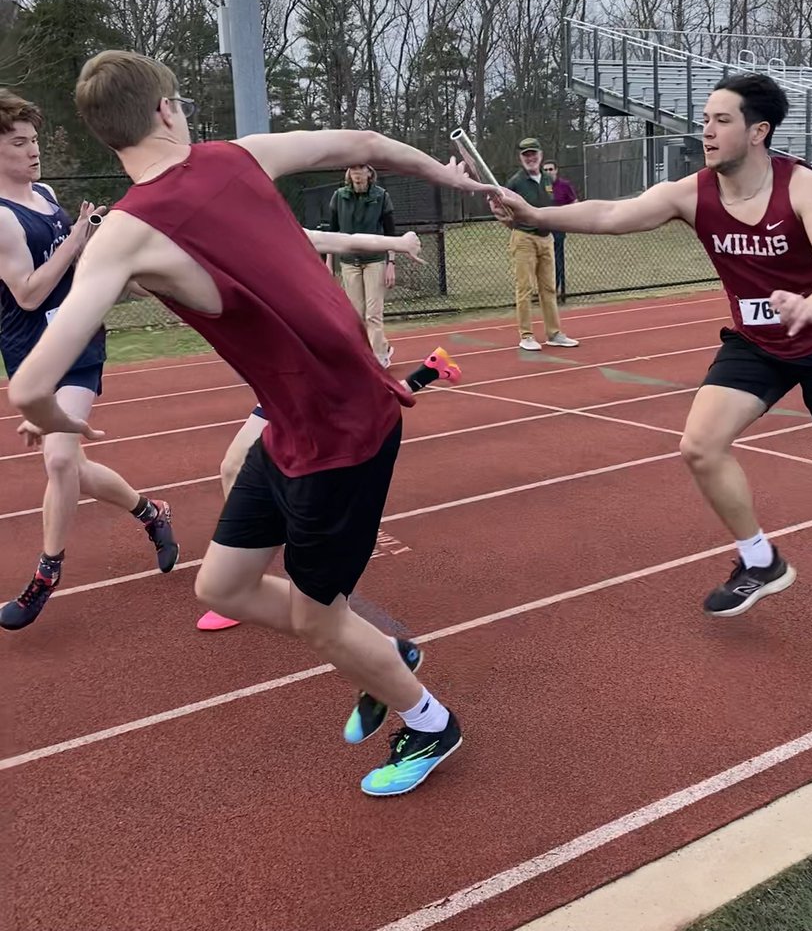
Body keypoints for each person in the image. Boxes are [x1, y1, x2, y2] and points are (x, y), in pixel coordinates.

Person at [8, 50, 493, 796]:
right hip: (293, 429)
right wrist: (445, 175)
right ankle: (385, 655)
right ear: (166, 109)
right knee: (224, 586)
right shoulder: (237, 156)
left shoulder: (122, 233)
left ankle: (431, 723)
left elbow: (33, 383)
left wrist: (47, 415)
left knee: (315, 615)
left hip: (345, 430)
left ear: (110, 138)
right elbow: (363, 141)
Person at [491, 74, 812, 615]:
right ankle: (760, 560)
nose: (706, 130)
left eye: (721, 120)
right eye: (705, 119)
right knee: (700, 446)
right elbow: (612, 214)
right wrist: (537, 215)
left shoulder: (803, 188)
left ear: (759, 131)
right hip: (757, 346)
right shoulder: (692, 193)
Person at [198, 221, 461, 635]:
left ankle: (252, 584)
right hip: (287, 381)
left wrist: (398, 242)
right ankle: (427, 371)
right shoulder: (208, 236)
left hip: (311, 372)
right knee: (235, 466)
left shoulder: (261, 228)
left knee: (273, 463)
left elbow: (341, 240)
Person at [0, 88, 177, 632]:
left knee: (58, 462)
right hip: (30, 350)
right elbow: (28, 293)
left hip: (76, 344)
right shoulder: (2, 217)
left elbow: (75, 275)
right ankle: (150, 512)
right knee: (72, 467)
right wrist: (77, 237)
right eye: (20, 143)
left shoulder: (47, 193)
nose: (34, 151)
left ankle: (45, 576)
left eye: (35, 140)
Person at [505, 137, 579, 351]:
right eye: (526, 154)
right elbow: (506, 214)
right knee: (525, 288)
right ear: (520, 158)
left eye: (533, 153)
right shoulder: (515, 182)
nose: (530, 158)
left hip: (546, 238)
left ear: (540, 155)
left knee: (548, 288)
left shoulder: (548, 179)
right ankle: (526, 335)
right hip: (524, 238)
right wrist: (519, 230)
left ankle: (554, 333)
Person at [330, 165, 397, 367]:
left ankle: (379, 358)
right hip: (349, 262)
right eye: (353, 169)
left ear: (369, 173)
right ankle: (369, 352)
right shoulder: (339, 196)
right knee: (356, 315)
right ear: (348, 173)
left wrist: (391, 263)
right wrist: (328, 263)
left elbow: (390, 233)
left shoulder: (382, 196)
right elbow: (331, 233)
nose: (357, 173)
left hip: (375, 260)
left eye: (361, 169)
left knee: (373, 314)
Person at [542, 159, 578, 302]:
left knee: (557, 259)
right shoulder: (540, 186)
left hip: (558, 227)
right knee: (543, 260)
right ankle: (544, 289)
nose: (548, 172)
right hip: (543, 228)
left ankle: (559, 290)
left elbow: (575, 203)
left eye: (551, 169)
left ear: (556, 170)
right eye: (545, 170)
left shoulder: (564, 185)